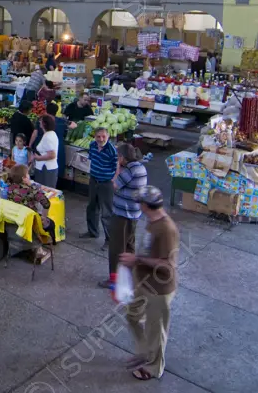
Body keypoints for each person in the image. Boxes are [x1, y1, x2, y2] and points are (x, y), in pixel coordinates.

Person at [120, 185, 179, 381]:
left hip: (159, 289)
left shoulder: (167, 229)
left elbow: (168, 265)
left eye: (140, 202)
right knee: (132, 316)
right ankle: (146, 352)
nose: (139, 205)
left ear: (146, 205)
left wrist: (137, 260)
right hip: (143, 282)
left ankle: (155, 367)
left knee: (156, 330)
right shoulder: (152, 221)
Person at [104, 143, 148, 290]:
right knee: (129, 246)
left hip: (123, 215)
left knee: (117, 248)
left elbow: (114, 184)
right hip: (134, 214)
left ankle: (114, 280)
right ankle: (130, 276)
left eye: (118, 157)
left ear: (122, 157)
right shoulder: (140, 167)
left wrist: (117, 168)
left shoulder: (130, 170)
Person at [81, 127, 117, 247]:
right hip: (93, 180)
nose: (101, 139)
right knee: (92, 207)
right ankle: (92, 232)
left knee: (106, 212)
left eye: (104, 136)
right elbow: (91, 159)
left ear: (108, 137)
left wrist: (113, 180)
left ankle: (110, 240)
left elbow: (117, 168)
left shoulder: (112, 150)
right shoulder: (92, 145)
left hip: (106, 184)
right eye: (98, 137)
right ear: (94, 137)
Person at [30, 114, 60, 189]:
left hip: (46, 169)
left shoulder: (49, 136)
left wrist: (38, 158)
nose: (39, 122)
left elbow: (52, 155)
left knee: (46, 191)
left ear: (44, 123)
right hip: (43, 168)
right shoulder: (48, 134)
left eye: (41, 121)